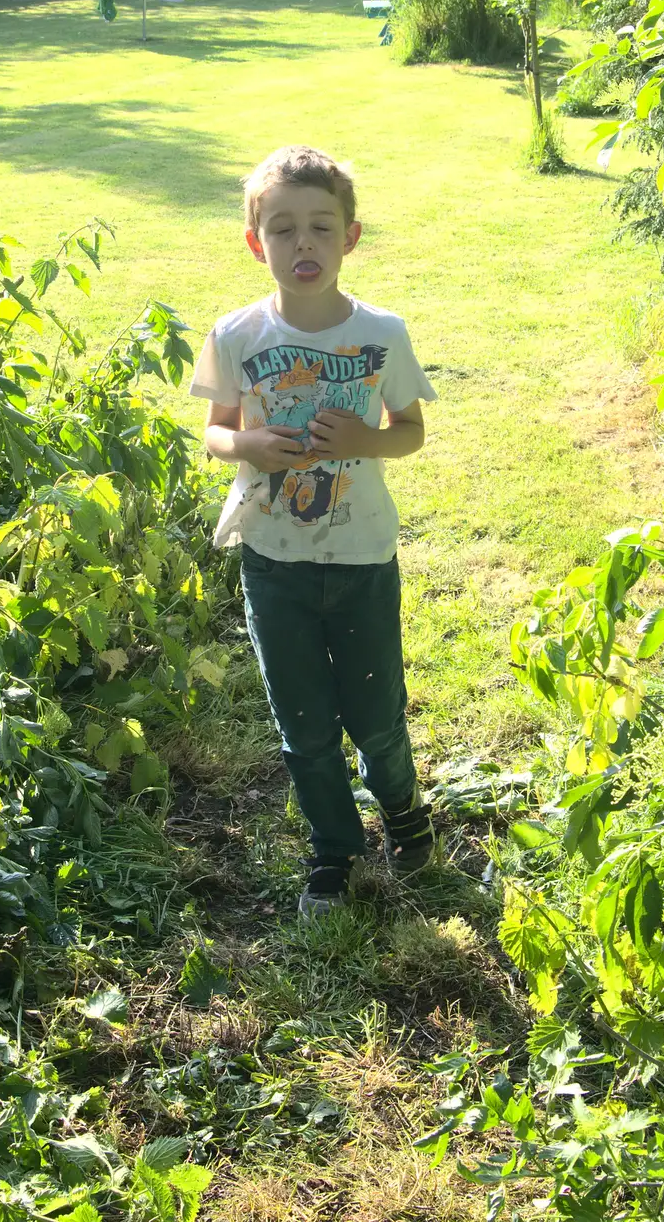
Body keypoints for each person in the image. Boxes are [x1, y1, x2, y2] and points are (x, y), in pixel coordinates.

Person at [189, 145, 437, 918]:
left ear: (350, 238)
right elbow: (215, 432)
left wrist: (363, 440)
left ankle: (400, 806)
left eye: (321, 228)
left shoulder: (383, 333)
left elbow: (410, 431)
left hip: (363, 554)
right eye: (284, 228)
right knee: (302, 726)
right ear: (255, 241)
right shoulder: (236, 336)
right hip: (274, 560)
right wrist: (251, 446)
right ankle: (335, 848)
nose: (304, 245)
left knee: (374, 713)